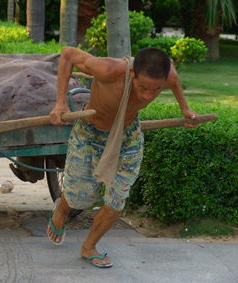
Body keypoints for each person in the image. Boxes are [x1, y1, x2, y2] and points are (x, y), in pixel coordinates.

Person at [47, 46, 199, 268]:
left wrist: (184, 108)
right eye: (143, 87)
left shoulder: (169, 76)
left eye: (155, 90)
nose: (147, 95)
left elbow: (174, 81)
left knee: (116, 199)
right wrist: (60, 101)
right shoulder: (108, 70)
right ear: (132, 74)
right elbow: (68, 54)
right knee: (80, 197)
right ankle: (62, 208)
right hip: (90, 133)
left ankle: (89, 246)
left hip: (128, 135)